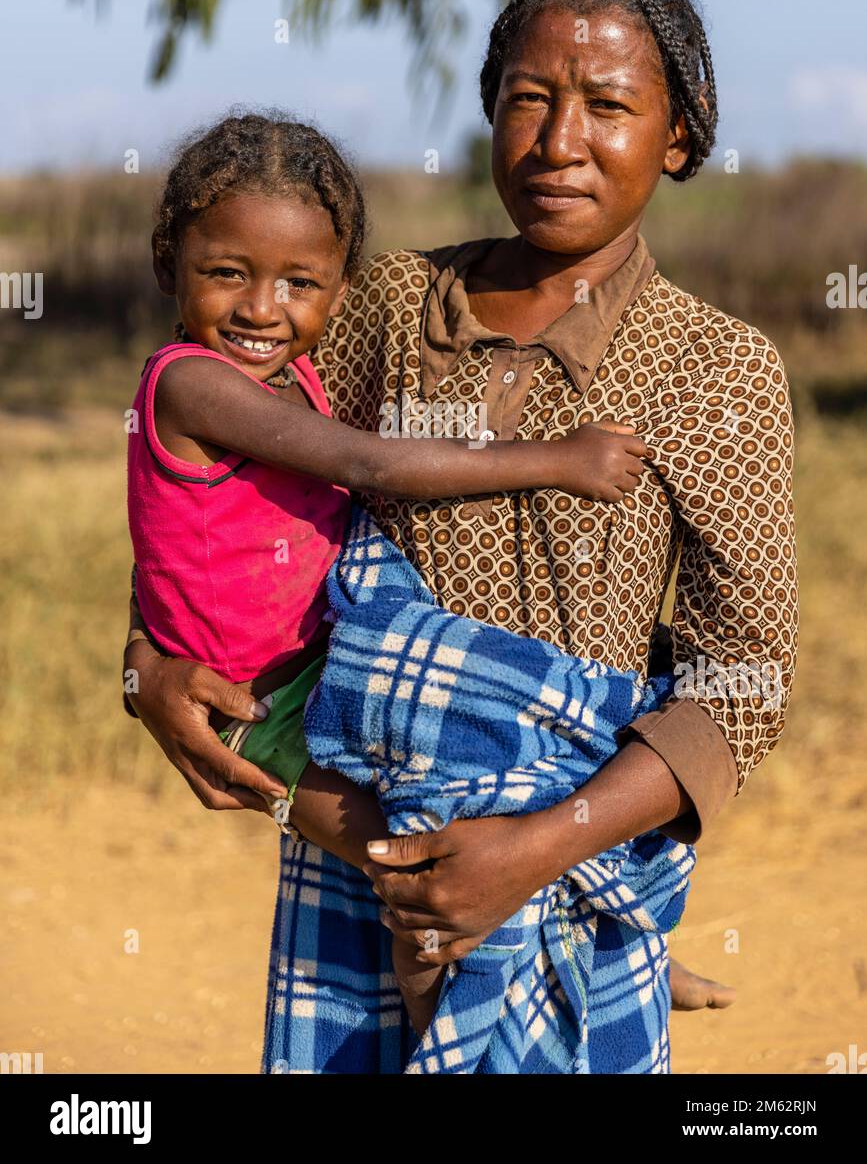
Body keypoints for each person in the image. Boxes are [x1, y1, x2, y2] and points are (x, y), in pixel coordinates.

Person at [126, 0, 795, 1071]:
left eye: (611, 106)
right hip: (362, 868)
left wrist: (533, 851)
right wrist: (144, 670)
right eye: (529, 98)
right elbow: (209, 485)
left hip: (562, 859)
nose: (560, 140)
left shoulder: (717, 370)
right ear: (488, 110)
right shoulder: (385, 303)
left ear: (678, 139)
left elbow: (744, 681)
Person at [125, 109, 654, 1034]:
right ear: (170, 263)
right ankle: (440, 1033)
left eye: (300, 282)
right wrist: (555, 458)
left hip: (340, 663)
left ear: (340, 285)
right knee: (411, 867)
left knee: (502, 774)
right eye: (225, 274)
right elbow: (371, 464)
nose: (261, 308)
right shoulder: (193, 384)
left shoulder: (296, 369)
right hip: (258, 709)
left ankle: (619, 940)